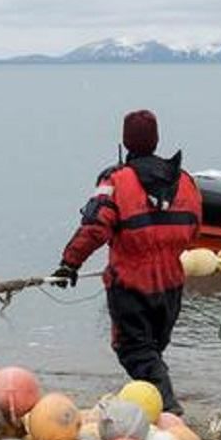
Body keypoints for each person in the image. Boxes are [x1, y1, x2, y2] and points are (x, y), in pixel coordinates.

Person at [53, 110, 202, 415]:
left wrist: (69, 263)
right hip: (171, 286)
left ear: (125, 141)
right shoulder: (185, 181)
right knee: (152, 351)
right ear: (157, 139)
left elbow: (95, 227)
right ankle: (150, 406)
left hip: (131, 285)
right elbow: (194, 230)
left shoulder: (117, 181)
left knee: (134, 350)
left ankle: (168, 408)